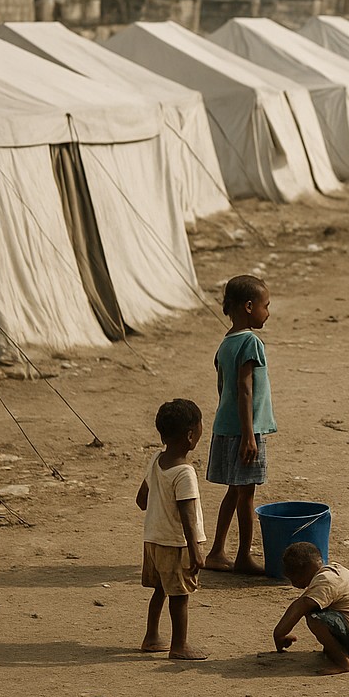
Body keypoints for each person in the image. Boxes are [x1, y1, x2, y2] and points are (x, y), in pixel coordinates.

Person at [205, 274, 275, 573]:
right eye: (266, 305)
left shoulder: (226, 344)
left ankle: (217, 552)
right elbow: (245, 389)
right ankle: (244, 556)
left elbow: (224, 389)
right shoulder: (251, 342)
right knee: (246, 494)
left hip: (226, 426)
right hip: (245, 430)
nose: (268, 312)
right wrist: (248, 434)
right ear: (249, 306)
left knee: (235, 491)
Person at [137, 398, 209, 660]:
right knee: (180, 595)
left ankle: (152, 636)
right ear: (190, 436)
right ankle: (180, 645)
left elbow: (141, 500)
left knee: (160, 590)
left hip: (153, 539)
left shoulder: (156, 459)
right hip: (176, 544)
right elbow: (188, 517)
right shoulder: (185, 473)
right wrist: (197, 552)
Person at [273, 541, 349, 676]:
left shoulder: (326, 580)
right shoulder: (331, 571)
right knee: (313, 609)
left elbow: (299, 606)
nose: (293, 584)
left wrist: (278, 635)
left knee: (315, 618)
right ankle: (336, 651)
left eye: (293, 578)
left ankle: (344, 662)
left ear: (303, 571)